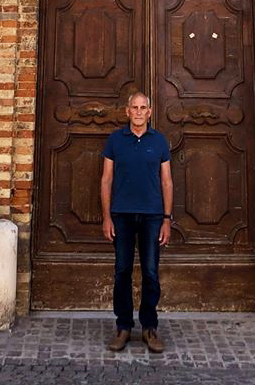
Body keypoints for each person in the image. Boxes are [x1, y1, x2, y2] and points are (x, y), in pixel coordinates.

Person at [100, 91, 173, 353]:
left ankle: (149, 327)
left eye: (144, 107)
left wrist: (167, 219)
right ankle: (123, 327)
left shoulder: (160, 142)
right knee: (122, 271)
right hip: (121, 215)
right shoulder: (115, 141)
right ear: (127, 111)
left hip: (153, 217)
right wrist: (107, 217)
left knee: (151, 272)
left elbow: (166, 181)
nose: (139, 112)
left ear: (150, 112)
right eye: (135, 107)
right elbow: (106, 179)